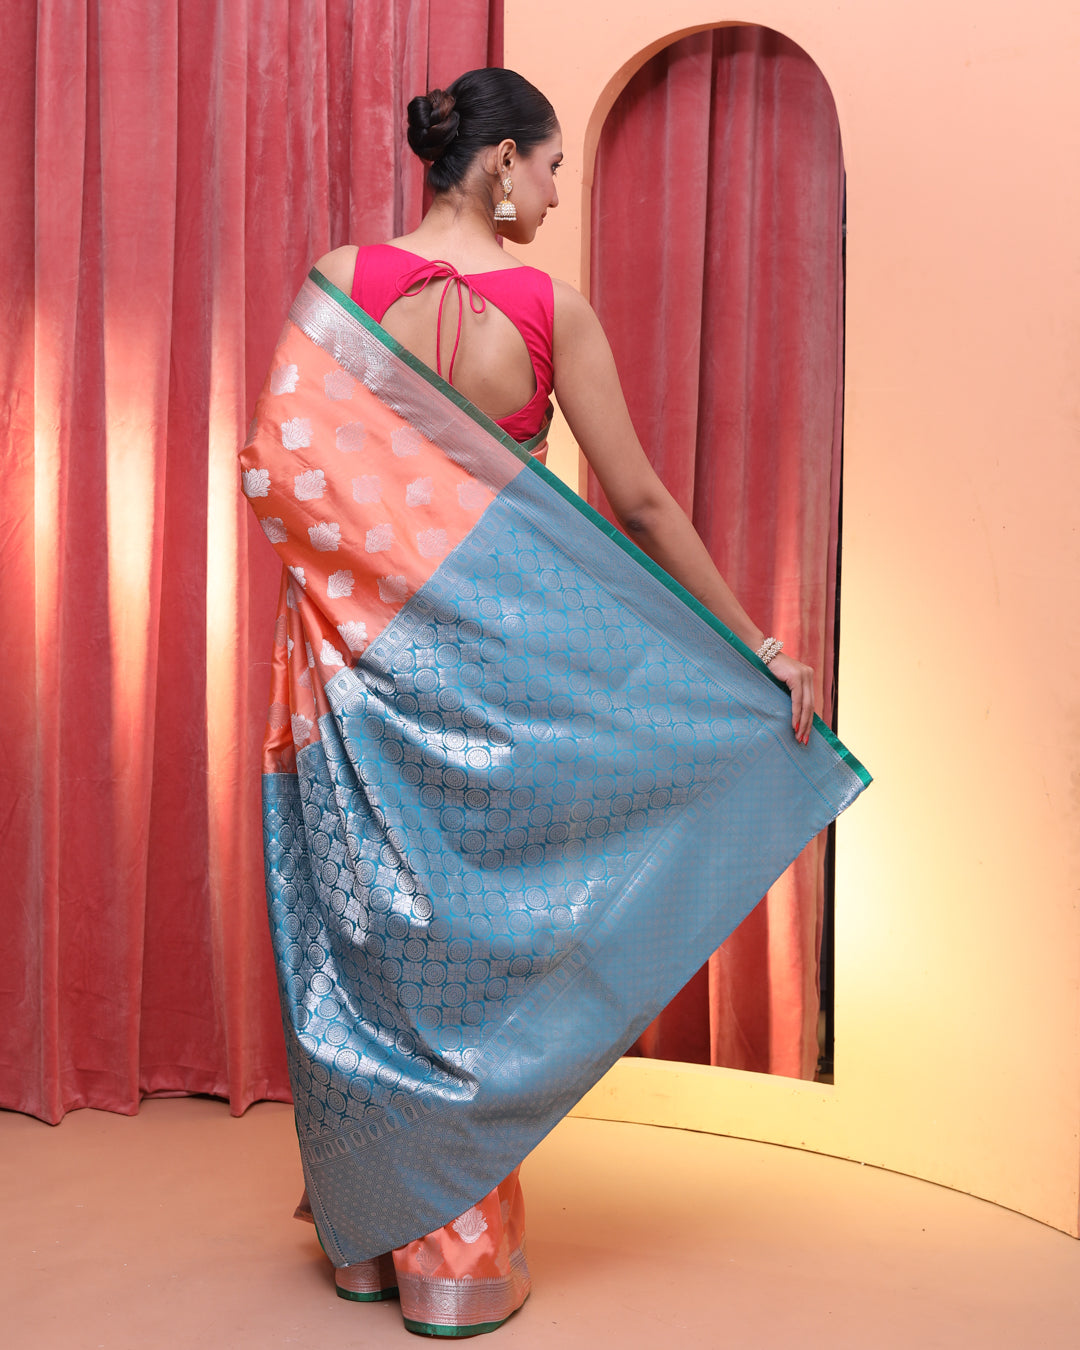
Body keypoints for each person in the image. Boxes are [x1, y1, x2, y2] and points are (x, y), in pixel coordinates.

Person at [240, 67, 868, 1338]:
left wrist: (378, 609)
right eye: (553, 166)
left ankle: (372, 1237)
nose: (557, 193)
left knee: (375, 937)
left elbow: (278, 476)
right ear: (499, 165)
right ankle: (456, 1250)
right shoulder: (548, 312)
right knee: (476, 947)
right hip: (506, 677)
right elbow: (637, 504)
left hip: (360, 673)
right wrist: (754, 647)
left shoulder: (344, 286)